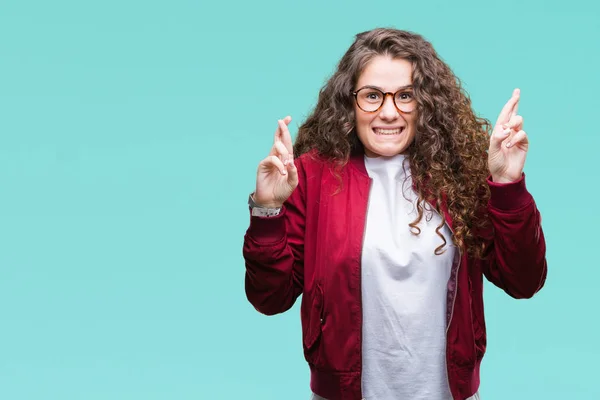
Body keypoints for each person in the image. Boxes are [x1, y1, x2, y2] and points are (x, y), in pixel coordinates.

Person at [242, 28, 547, 400]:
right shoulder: (311, 176)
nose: (389, 112)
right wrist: (268, 210)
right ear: (349, 102)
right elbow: (269, 298)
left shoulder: (460, 175)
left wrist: (507, 183)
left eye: (405, 96)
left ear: (427, 102)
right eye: (372, 96)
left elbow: (524, 280)